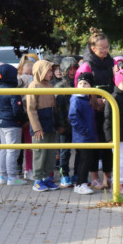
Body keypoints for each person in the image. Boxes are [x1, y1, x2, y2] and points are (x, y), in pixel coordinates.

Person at [83, 29, 115, 188]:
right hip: (92, 108)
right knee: (95, 142)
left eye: (107, 47)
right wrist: (94, 99)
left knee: (108, 141)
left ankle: (108, 177)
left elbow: (116, 81)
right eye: (101, 48)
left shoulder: (111, 62)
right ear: (93, 48)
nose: (105, 50)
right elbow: (81, 86)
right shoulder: (87, 64)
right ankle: (94, 177)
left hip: (109, 105)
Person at [25, 59, 59, 191]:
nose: (51, 73)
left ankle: (46, 177)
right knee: (40, 153)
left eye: (51, 70)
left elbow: (54, 107)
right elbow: (31, 109)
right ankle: (37, 179)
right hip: (40, 124)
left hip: (50, 124)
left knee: (50, 153)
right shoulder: (34, 86)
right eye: (49, 70)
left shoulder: (50, 86)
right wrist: (37, 128)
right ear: (40, 71)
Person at [0, 64, 27, 186]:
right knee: (12, 151)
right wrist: (23, 120)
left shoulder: (1, 89)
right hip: (12, 124)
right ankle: (12, 177)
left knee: (4, 149)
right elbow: (17, 110)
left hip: (1, 122)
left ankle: (3, 175)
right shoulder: (13, 91)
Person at [68, 72, 98, 195]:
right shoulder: (77, 98)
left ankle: (81, 183)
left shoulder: (87, 98)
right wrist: (84, 130)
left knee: (85, 160)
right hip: (83, 136)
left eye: (85, 83)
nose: (82, 86)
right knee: (84, 160)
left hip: (88, 135)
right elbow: (73, 117)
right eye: (80, 83)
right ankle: (81, 183)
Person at [54, 57, 78, 187]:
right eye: (70, 68)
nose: (73, 71)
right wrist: (60, 125)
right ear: (64, 69)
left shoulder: (79, 84)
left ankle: (77, 174)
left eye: (75, 68)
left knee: (80, 149)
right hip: (64, 125)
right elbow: (57, 109)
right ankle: (64, 174)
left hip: (77, 124)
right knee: (64, 151)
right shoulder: (59, 86)